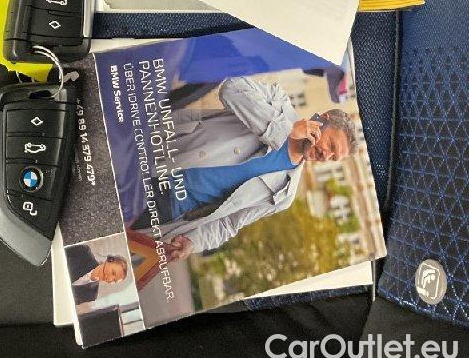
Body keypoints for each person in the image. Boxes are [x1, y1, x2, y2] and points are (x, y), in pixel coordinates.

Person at [131, 76, 357, 261]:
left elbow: (229, 223)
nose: (326, 156)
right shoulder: (278, 101)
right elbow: (230, 88)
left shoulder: (284, 193)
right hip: (158, 154)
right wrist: (284, 130)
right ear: (322, 120)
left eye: (333, 158)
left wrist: (194, 242)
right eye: (331, 145)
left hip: (168, 208)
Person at [65, 244, 129, 305]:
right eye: (113, 272)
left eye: (114, 280)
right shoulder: (83, 252)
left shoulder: (91, 295)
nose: (110, 279)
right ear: (110, 260)